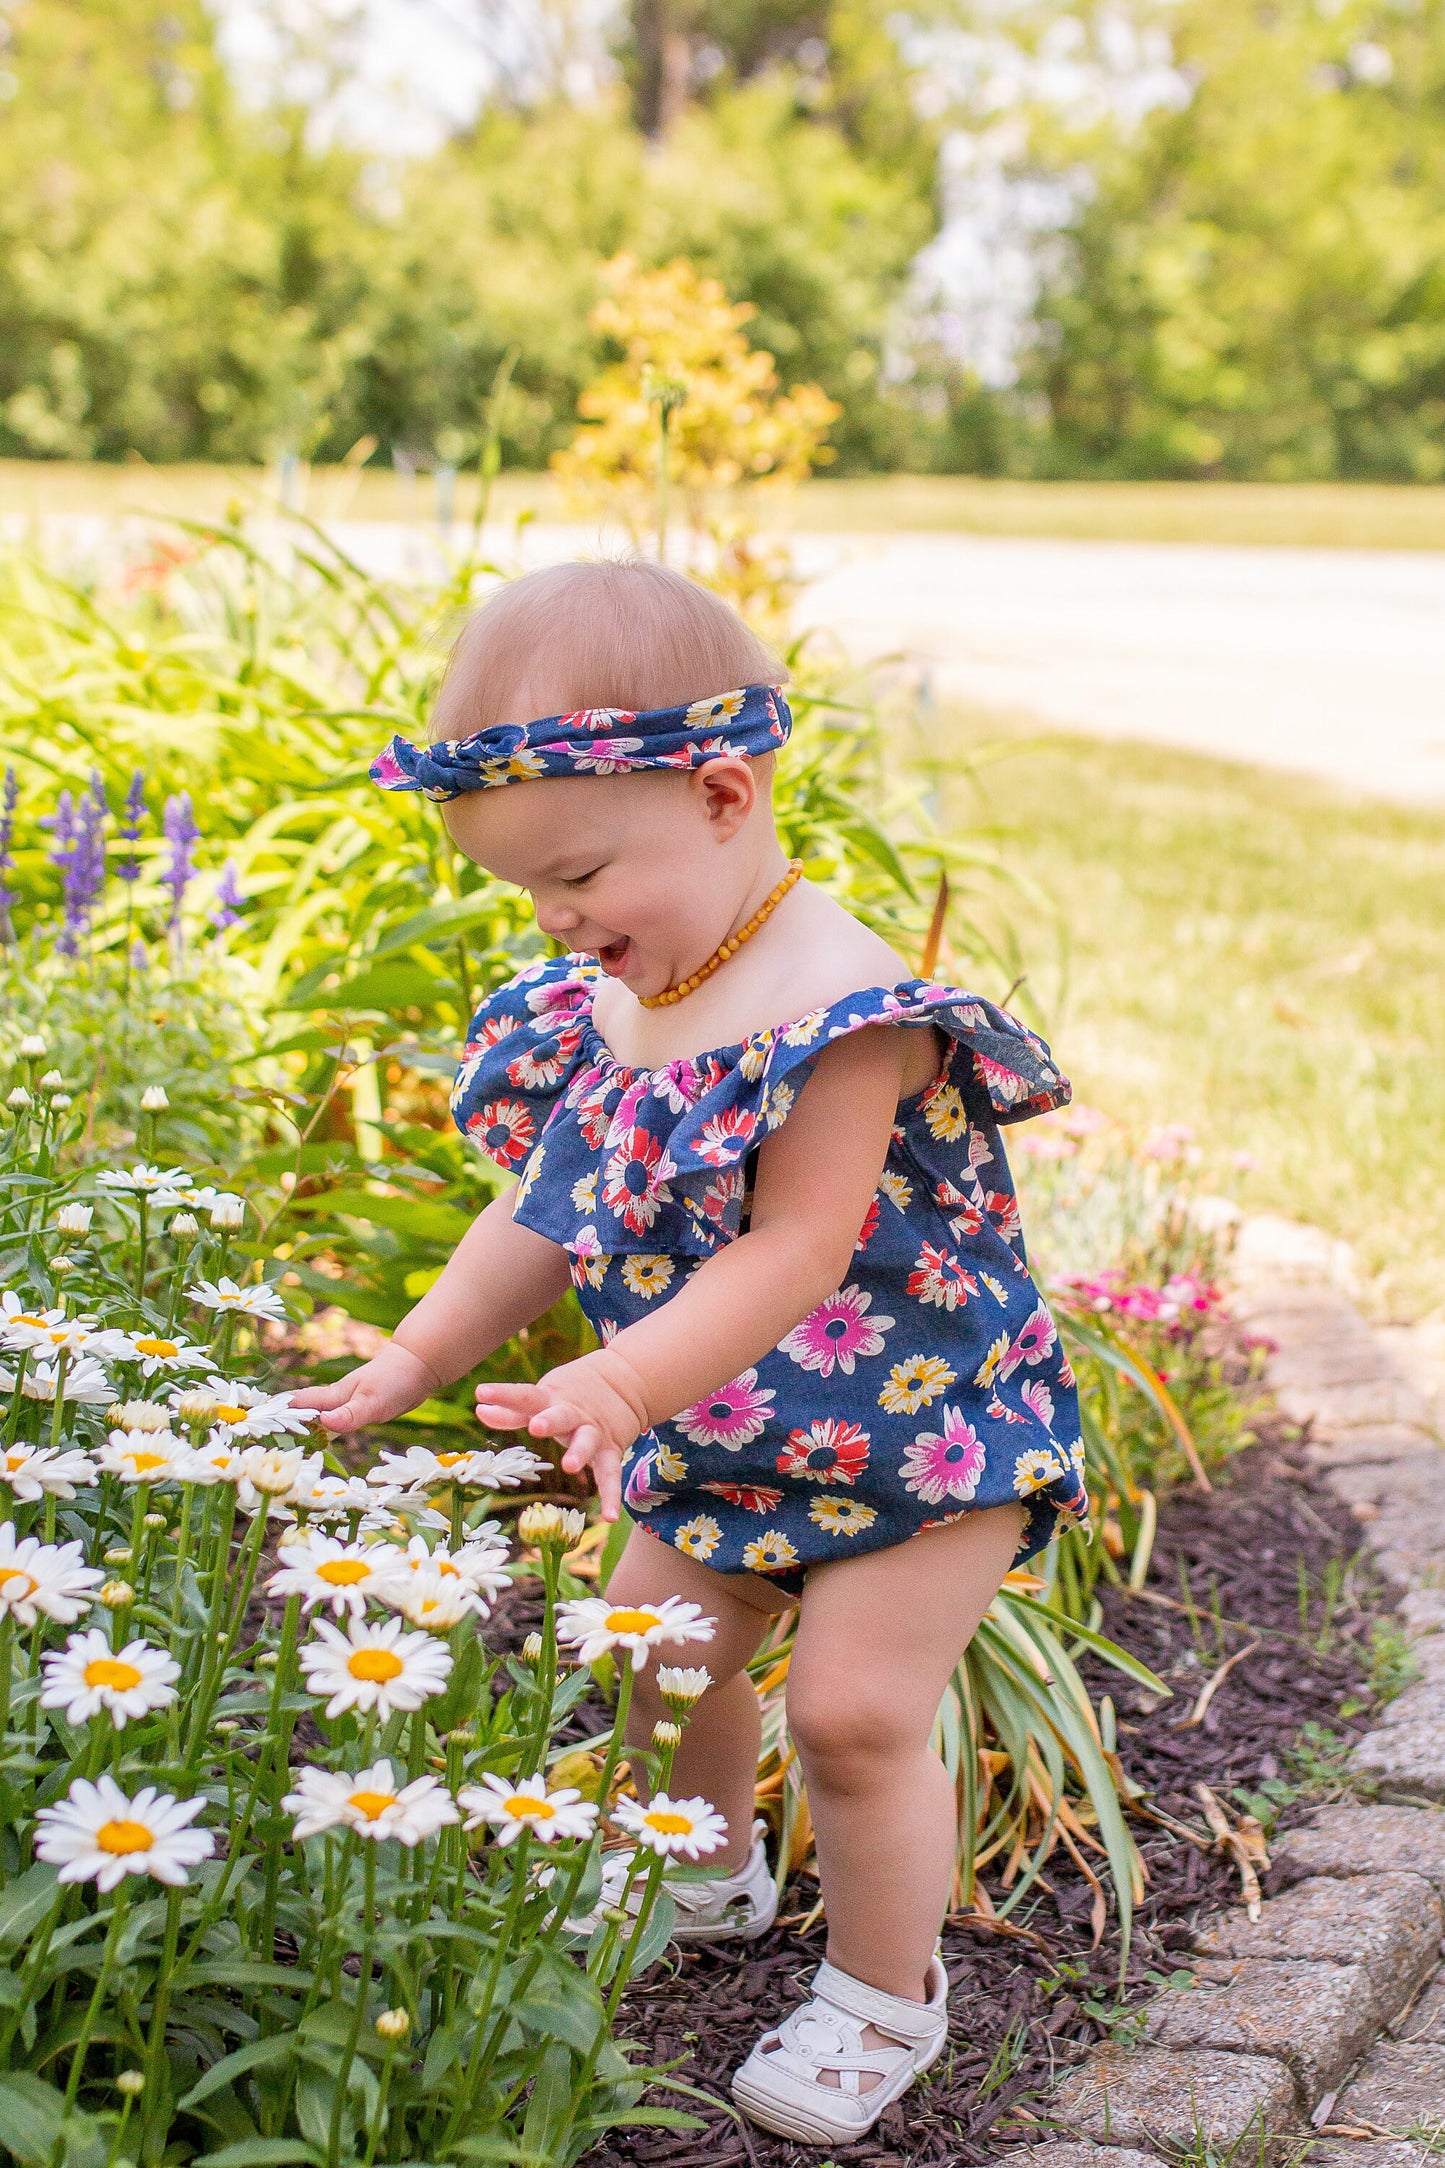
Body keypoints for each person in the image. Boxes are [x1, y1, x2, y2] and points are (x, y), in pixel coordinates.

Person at [293, 558, 1088, 2147]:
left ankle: (880, 1997)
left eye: (577, 875)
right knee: (651, 1661)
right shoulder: (611, 994)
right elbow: (543, 1204)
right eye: (528, 892)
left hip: (914, 1436)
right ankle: (701, 1865)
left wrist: (617, 1382)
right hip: (725, 1428)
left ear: (725, 794)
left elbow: (795, 1249)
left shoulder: (846, 1003)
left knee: (854, 1719)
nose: (557, 920)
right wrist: (417, 1353)